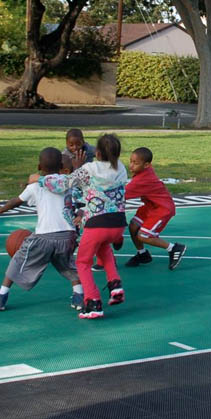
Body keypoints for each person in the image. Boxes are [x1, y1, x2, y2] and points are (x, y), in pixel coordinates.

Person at [35, 134, 127, 320]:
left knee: (82, 262)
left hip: (97, 223)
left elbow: (63, 184)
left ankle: (93, 302)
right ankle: (115, 285)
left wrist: (40, 179)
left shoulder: (89, 169)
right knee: (104, 248)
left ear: (97, 152)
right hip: (118, 222)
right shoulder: (122, 168)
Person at [0, 147, 83, 312]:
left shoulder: (35, 186)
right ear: (61, 165)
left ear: (39, 167)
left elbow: (17, 201)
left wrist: (1, 209)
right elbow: (80, 194)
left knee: (18, 261)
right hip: (67, 236)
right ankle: (79, 296)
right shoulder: (66, 183)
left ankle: (0, 296)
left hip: (44, 237)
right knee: (68, 265)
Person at [124, 147, 186, 270]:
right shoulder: (144, 171)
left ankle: (173, 248)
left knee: (143, 236)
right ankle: (143, 254)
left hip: (162, 209)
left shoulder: (142, 180)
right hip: (150, 206)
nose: (131, 166)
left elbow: (120, 195)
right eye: (130, 161)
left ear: (147, 165)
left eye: (135, 163)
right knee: (133, 226)